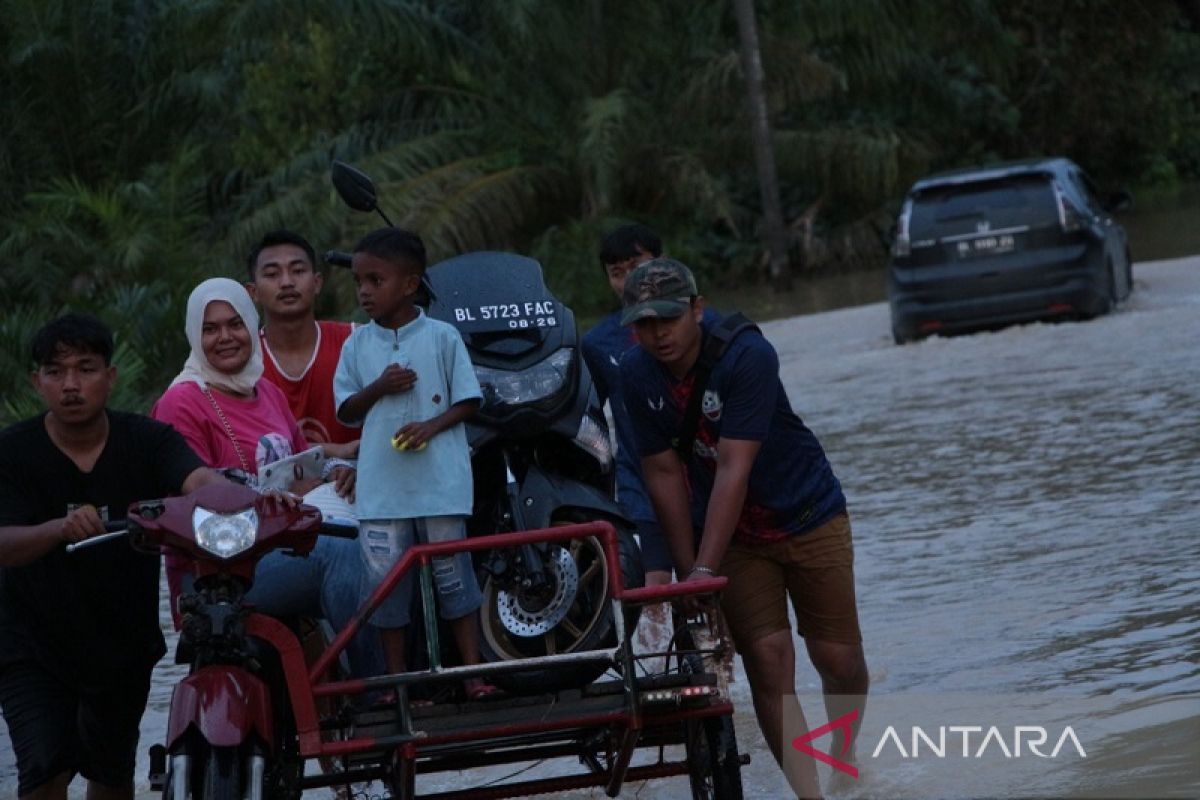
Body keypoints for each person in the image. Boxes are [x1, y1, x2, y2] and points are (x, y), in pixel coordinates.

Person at [618, 258, 869, 799]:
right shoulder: (635, 375)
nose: (658, 334)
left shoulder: (747, 354)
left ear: (697, 310)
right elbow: (662, 475)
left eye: (669, 318)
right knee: (769, 660)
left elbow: (735, 465)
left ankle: (844, 758)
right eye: (643, 324)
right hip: (731, 538)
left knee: (838, 659)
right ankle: (811, 797)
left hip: (806, 513)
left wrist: (703, 568)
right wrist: (692, 578)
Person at [0, 313, 223, 800]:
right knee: (43, 771)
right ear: (37, 382)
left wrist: (235, 498)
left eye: (86, 368)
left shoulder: (148, 439)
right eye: (56, 372)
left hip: (122, 642)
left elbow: (199, 480)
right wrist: (59, 529)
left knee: (112, 774)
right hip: (29, 646)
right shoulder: (11, 452)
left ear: (111, 376)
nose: (71, 385)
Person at [150, 277, 380, 678]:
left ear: (251, 326)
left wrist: (337, 471)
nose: (226, 337)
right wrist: (270, 496)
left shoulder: (266, 392)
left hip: (278, 548)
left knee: (386, 544)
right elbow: (193, 488)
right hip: (218, 574)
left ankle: (419, 678)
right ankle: (378, 691)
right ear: (193, 334)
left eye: (235, 324)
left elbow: (300, 464)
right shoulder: (181, 401)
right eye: (210, 328)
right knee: (341, 553)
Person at [333, 227, 495, 699]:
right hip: (382, 490)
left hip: (440, 484)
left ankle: (472, 674)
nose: (364, 291)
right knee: (385, 588)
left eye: (375, 280)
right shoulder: (357, 345)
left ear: (409, 284)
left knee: (453, 577)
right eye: (359, 281)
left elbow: (469, 401)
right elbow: (346, 410)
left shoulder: (443, 337)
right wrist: (379, 387)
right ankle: (396, 680)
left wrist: (430, 426)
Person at [581, 224, 718, 652]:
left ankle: (719, 677)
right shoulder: (599, 342)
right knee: (655, 582)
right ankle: (667, 672)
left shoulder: (706, 327)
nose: (625, 280)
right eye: (616, 272)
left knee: (708, 578)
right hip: (641, 482)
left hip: (706, 475)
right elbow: (592, 420)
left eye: (635, 267)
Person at [244, 229, 360, 453]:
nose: (287, 282)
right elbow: (245, 447)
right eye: (271, 274)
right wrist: (337, 450)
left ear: (317, 283)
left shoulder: (357, 341)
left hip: (360, 482)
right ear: (253, 291)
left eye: (298, 270)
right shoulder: (241, 361)